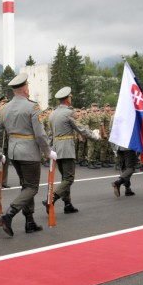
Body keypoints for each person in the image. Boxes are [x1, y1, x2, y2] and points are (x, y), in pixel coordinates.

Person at [0, 73, 54, 235]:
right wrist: (48, 152)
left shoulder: (4, 108)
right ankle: (9, 214)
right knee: (31, 187)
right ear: (24, 89)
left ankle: (29, 221)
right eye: (28, 86)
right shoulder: (33, 107)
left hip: (14, 152)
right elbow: (39, 134)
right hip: (29, 152)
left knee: (26, 186)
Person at [44, 87, 96, 215]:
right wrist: (94, 136)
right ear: (67, 99)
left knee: (64, 178)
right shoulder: (69, 113)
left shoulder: (53, 114)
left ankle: (68, 204)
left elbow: (50, 134)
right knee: (69, 178)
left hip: (56, 149)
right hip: (66, 148)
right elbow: (81, 129)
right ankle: (52, 198)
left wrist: (49, 150)